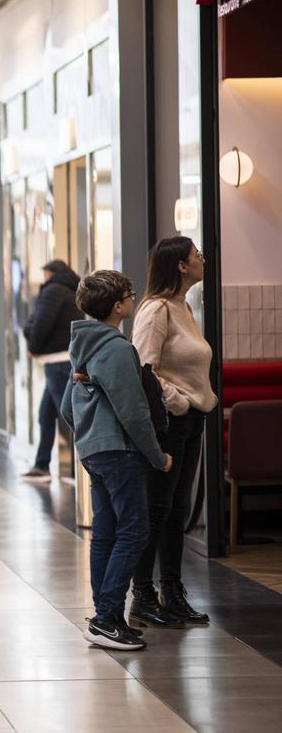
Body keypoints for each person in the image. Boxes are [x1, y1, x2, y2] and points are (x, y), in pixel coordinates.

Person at [61, 270, 172, 651]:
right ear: (117, 306)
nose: (133, 298)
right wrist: (157, 456)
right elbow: (134, 411)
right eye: (130, 294)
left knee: (105, 533)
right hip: (122, 452)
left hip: (94, 452)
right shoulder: (118, 349)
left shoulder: (81, 345)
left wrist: (91, 434)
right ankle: (108, 617)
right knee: (135, 531)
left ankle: (104, 615)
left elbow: (66, 409)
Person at [130, 237, 216, 627]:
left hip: (192, 416)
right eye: (196, 254)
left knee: (177, 508)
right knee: (158, 508)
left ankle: (172, 591)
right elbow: (144, 369)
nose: (202, 259)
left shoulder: (183, 307)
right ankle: (143, 595)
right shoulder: (157, 309)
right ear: (181, 266)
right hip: (170, 421)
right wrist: (177, 401)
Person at [21, 260, 84, 481]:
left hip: (56, 361)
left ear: (51, 273)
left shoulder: (53, 291)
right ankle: (42, 464)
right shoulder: (71, 289)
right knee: (45, 414)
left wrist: (32, 347)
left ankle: (87, 466)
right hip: (65, 358)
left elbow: (39, 324)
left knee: (68, 414)